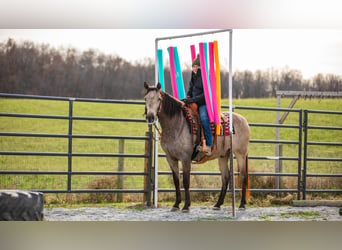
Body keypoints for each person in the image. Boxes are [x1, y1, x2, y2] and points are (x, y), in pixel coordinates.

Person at [182, 54, 212, 156]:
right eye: (193, 67)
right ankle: (191, 143)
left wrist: (192, 100)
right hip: (194, 103)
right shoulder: (193, 77)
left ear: (200, 68)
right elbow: (190, 89)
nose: (194, 69)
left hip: (203, 103)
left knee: (203, 118)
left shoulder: (204, 78)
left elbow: (205, 95)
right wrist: (188, 97)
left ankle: (209, 144)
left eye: (196, 67)